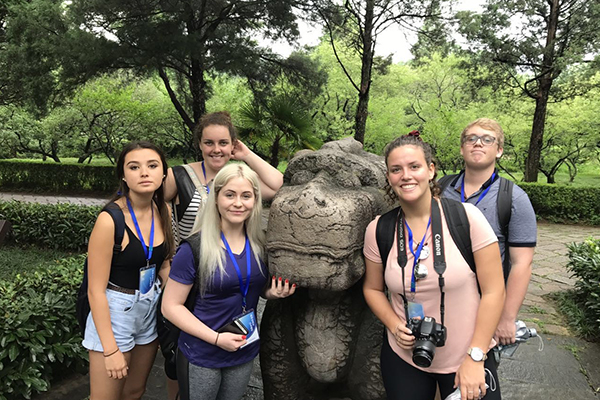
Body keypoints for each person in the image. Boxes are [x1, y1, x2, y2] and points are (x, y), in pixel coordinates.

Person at [362, 132, 506, 400]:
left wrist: (476, 356)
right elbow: (372, 288)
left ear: (430, 170)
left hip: (467, 355)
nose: (406, 176)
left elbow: (494, 291)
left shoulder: (466, 218)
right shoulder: (379, 229)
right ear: (389, 177)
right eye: (396, 169)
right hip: (405, 356)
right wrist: (394, 325)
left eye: (414, 166)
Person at [161, 163, 296, 400]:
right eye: (230, 195)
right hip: (203, 353)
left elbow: (251, 285)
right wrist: (216, 339)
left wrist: (270, 293)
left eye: (246, 196)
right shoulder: (194, 249)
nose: (238, 203)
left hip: (243, 350)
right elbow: (170, 306)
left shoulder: (260, 245)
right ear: (216, 198)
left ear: (255, 200)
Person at [83, 141, 175, 400]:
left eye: (152, 165)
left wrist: (179, 301)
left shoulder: (163, 210)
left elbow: (164, 264)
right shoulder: (110, 220)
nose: (144, 172)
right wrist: (111, 350)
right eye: (134, 167)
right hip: (115, 311)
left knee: (135, 391)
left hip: (150, 306)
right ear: (124, 175)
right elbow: (95, 290)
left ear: (164, 173)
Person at [440, 118, 537, 348]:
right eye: (471, 139)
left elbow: (522, 263)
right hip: (440, 299)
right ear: (462, 148)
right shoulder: (440, 188)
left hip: (485, 305)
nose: (478, 143)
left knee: (475, 375)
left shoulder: (513, 198)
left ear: (499, 150)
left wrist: (506, 317)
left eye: (487, 139)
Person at [164, 111, 283, 243]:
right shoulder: (178, 176)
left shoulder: (240, 177)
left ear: (233, 145)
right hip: (191, 260)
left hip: (232, 259)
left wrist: (247, 155)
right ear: (200, 144)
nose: (216, 149)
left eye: (223, 143)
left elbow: (279, 186)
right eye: (209, 143)